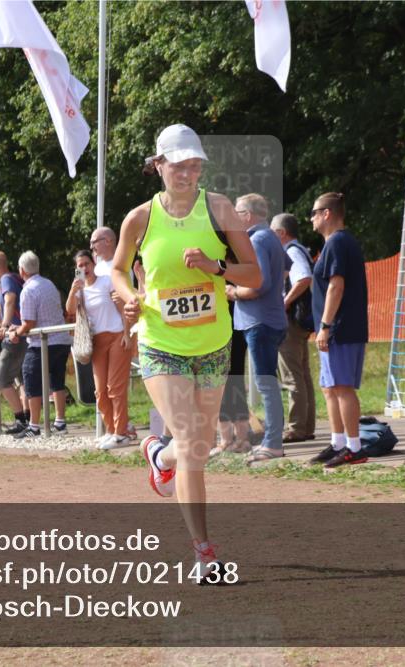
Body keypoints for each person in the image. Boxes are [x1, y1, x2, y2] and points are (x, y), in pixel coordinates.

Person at [111, 123, 260, 578]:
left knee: (197, 445)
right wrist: (129, 297)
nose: (187, 173)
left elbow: (254, 275)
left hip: (213, 344)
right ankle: (204, 553)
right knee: (194, 443)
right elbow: (116, 269)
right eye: (178, 165)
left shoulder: (218, 209)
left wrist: (216, 266)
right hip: (161, 344)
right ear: (158, 165)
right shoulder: (140, 218)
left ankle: (159, 457)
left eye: (194, 165)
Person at [305, 193, 369, 470]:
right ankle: (338, 442)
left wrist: (325, 326)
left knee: (342, 387)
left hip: (340, 328)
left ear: (327, 213)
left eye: (314, 212)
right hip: (337, 328)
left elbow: (336, 286)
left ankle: (354, 448)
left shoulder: (337, 242)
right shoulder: (336, 242)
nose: (311, 218)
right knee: (330, 387)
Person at [225, 193, 289, 463]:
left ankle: (273, 443)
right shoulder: (270, 237)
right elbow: (285, 268)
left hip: (259, 321)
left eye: (236, 213)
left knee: (266, 385)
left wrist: (234, 292)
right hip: (270, 319)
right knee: (268, 383)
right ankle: (272, 440)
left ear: (247, 215)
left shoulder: (257, 240)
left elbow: (258, 284)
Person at [66, 250, 134, 449]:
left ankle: (121, 433)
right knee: (100, 391)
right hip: (96, 341)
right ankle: (111, 430)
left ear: (94, 263)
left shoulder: (106, 281)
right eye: (80, 265)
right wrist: (72, 291)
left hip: (117, 336)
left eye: (86, 263)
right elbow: (70, 310)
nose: (84, 268)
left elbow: (122, 307)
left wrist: (127, 334)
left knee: (115, 387)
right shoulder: (79, 289)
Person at [9, 251, 73, 438]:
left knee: (31, 380)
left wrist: (16, 333)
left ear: (22, 270)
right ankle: (60, 421)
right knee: (57, 381)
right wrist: (20, 328)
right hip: (61, 340)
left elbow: (29, 323)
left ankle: (34, 426)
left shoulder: (28, 290)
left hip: (42, 343)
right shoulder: (49, 284)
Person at [271, 212, 317, 442]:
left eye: (272, 232)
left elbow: (303, 278)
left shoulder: (290, 252)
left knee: (291, 375)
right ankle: (306, 427)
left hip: (291, 321)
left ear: (281, 233)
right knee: (302, 373)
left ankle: (296, 428)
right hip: (301, 320)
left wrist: (285, 302)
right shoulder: (300, 250)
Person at [0, 251, 31, 434]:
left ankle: (21, 420)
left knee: (1, 379)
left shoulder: (6, 280)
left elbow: (10, 301)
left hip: (15, 336)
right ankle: (28, 418)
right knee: (21, 380)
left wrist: (4, 326)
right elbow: (2, 310)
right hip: (23, 335)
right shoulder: (13, 278)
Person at [211, 302, 252, 457]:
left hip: (231, 323)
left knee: (231, 381)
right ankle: (230, 439)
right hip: (217, 324)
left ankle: (238, 439)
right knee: (224, 382)